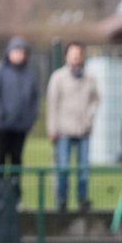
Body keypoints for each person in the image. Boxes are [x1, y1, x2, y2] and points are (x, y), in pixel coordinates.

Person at [0, 36, 40, 203]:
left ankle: (15, 195)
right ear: (9, 53)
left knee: (16, 160)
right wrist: (0, 114)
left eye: (22, 52)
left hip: (21, 126)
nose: (19, 55)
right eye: (16, 51)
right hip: (2, 125)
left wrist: (29, 118)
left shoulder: (29, 74)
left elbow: (34, 99)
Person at [46, 41, 100, 213]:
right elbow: (52, 104)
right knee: (62, 167)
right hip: (63, 130)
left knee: (83, 168)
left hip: (83, 130)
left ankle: (82, 199)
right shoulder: (58, 77)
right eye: (72, 53)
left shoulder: (89, 78)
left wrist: (89, 115)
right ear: (67, 56)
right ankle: (61, 200)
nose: (76, 57)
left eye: (78, 53)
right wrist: (52, 128)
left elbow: (96, 100)